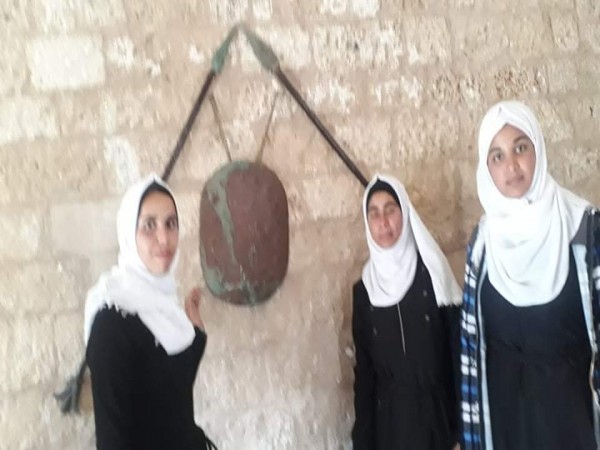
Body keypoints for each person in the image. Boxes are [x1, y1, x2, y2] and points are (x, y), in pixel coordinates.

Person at [460, 100, 600, 450]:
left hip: (570, 422)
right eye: (497, 156)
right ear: (486, 170)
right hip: (506, 422)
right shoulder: (483, 244)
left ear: (537, 147)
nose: (511, 165)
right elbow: (472, 344)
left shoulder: (584, 229)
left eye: (520, 148)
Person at [84, 174, 216, 450]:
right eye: (149, 226)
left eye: (171, 224)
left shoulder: (163, 305)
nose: (164, 238)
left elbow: (173, 391)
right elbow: (112, 443)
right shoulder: (111, 324)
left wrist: (196, 335)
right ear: (128, 234)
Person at [352, 174, 462, 450]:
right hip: (390, 428)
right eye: (374, 213)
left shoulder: (433, 275)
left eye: (390, 210)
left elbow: (457, 355)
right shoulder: (364, 291)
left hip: (439, 423)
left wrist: (463, 431)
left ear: (405, 212)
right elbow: (365, 376)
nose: (383, 222)